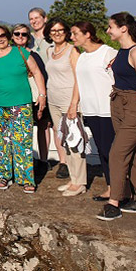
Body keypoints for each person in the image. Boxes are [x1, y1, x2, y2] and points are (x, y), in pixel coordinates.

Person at [97, 13, 136, 221]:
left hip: (133, 107)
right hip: (119, 104)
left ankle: (114, 202)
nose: (107, 31)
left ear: (124, 28)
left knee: (117, 153)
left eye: (110, 27)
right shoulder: (122, 52)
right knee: (133, 152)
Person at [0, 24, 46, 193]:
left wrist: (42, 95)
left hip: (21, 104)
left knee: (22, 142)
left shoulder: (21, 53)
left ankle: (26, 179)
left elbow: (37, 73)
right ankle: (2, 176)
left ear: (8, 36)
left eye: (2, 35)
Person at [69, 21, 117, 201]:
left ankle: (120, 187)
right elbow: (79, 83)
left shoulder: (107, 53)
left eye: (75, 33)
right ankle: (112, 187)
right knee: (103, 150)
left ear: (87, 34)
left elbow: (118, 80)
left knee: (110, 150)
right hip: (91, 110)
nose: (72, 37)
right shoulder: (82, 57)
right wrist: (75, 103)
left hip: (108, 110)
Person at [44, 19, 80, 182]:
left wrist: (74, 102)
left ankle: (78, 175)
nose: (57, 33)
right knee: (60, 135)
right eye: (53, 31)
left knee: (73, 136)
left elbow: (79, 78)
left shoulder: (73, 50)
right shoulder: (49, 51)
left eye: (60, 30)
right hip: (53, 99)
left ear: (66, 32)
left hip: (68, 99)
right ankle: (64, 163)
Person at [11, 24, 52, 167]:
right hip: (16, 98)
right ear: (12, 36)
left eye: (24, 34)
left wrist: (43, 96)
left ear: (28, 37)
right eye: (17, 34)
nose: (20, 37)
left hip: (34, 97)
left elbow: (42, 76)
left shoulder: (34, 56)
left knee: (43, 126)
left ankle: (43, 160)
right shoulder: (8, 56)